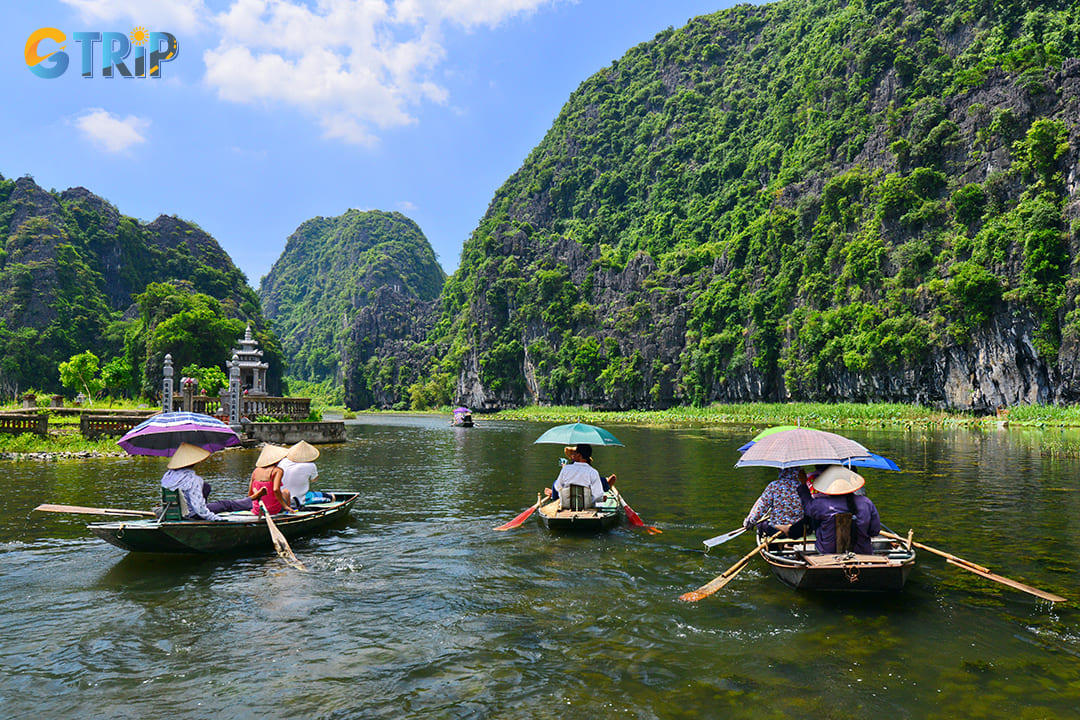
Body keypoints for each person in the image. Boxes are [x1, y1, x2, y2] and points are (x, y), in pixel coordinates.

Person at [804, 465, 881, 554]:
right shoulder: (866, 502)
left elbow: (807, 508)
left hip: (827, 552)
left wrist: (803, 485)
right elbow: (874, 531)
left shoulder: (820, 504)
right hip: (863, 551)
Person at [160, 442, 239, 521]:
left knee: (206, 488)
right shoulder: (193, 479)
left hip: (173, 513)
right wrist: (214, 518)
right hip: (192, 515)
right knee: (226, 504)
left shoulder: (167, 477)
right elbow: (199, 509)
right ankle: (246, 503)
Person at [743, 467, 807, 538]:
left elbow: (761, 506)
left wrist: (750, 522)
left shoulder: (774, 485)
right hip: (800, 531)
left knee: (760, 525)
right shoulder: (804, 486)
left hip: (776, 530)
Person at [279, 440, 330, 507]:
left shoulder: (282, 462)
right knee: (332, 497)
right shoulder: (311, 465)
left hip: (283, 498)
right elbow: (314, 479)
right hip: (300, 499)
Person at [249, 444, 292, 516]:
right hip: (272, 509)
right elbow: (276, 489)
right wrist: (285, 506)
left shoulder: (255, 471)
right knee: (286, 492)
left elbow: (250, 492)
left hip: (257, 509)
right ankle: (287, 512)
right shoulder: (277, 471)